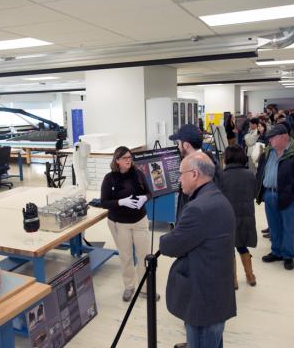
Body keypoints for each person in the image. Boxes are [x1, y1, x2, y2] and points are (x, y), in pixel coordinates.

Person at [160, 152, 236, 348]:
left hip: (204, 298)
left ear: (194, 174)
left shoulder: (198, 208)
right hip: (217, 292)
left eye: (181, 173)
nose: (179, 179)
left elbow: (171, 245)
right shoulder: (217, 197)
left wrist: (163, 239)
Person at [256, 124, 294, 270]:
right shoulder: (268, 152)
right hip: (269, 194)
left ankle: (288, 255)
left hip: (290, 196)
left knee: (289, 227)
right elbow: (261, 170)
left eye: (272, 138)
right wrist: (261, 191)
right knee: (274, 225)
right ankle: (276, 251)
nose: (269, 141)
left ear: (284, 137)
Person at [100, 146, 154, 302]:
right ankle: (129, 286)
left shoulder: (138, 174)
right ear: (117, 161)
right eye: (124, 158)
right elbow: (104, 202)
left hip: (140, 221)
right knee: (126, 256)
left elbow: (149, 193)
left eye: (130, 157)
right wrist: (121, 202)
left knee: (144, 256)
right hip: (120, 223)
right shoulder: (109, 178)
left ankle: (145, 289)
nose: (128, 160)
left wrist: (145, 198)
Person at [169, 124, 223, 219]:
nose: (178, 147)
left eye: (178, 143)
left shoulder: (209, 168)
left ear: (186, 145)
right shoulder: (194, 164)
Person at [222, 145, 258, 288]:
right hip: (246, 216)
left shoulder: (222, 176)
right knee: (242, 246)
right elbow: (254, 193)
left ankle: (233, 280)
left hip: (227, 217)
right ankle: (250, 276)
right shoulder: (250, 174)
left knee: (229, 248)